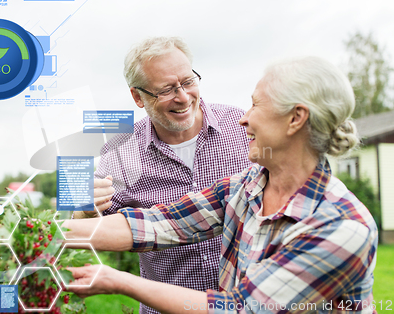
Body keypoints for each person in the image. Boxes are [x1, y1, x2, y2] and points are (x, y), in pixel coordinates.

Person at [64, 56, 378, 314]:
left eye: (256, 106)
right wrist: (41, 232)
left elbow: (242, 309)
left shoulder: (342, 226)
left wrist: (120, 281)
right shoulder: (245, 188)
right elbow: (159, 223)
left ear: (296, 119)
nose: (245, 119)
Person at [73, 37, 251, 313]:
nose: (182, 97)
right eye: (166, 89)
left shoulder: (241, 128)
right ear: (137, 97)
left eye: (189, 81)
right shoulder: (119, 154)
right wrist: (83, 212)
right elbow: (101, 229)